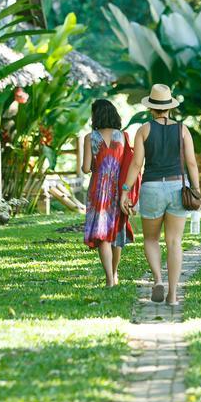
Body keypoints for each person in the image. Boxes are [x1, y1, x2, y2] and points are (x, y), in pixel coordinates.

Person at [120, 83, 201, 306]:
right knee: (174, 242)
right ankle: (173, 295)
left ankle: (157, 280)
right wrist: (197, 189)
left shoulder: (143, 130)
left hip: (152, 188)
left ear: (151, 108)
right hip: (178, 187)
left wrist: (125, 191)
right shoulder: (182, 130)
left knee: (151, 239)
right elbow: (192, 163)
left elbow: (137, 164)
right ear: (169, 107)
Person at [83, 99, 136, 287]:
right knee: (116, 233)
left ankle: (108, 279)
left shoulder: (90, 138)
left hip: (98, 189)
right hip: (117, 190)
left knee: (102, 234)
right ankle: (114, 273)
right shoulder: (122, 137)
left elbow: (85, 168)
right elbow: (127, 165)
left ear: (96, 115)